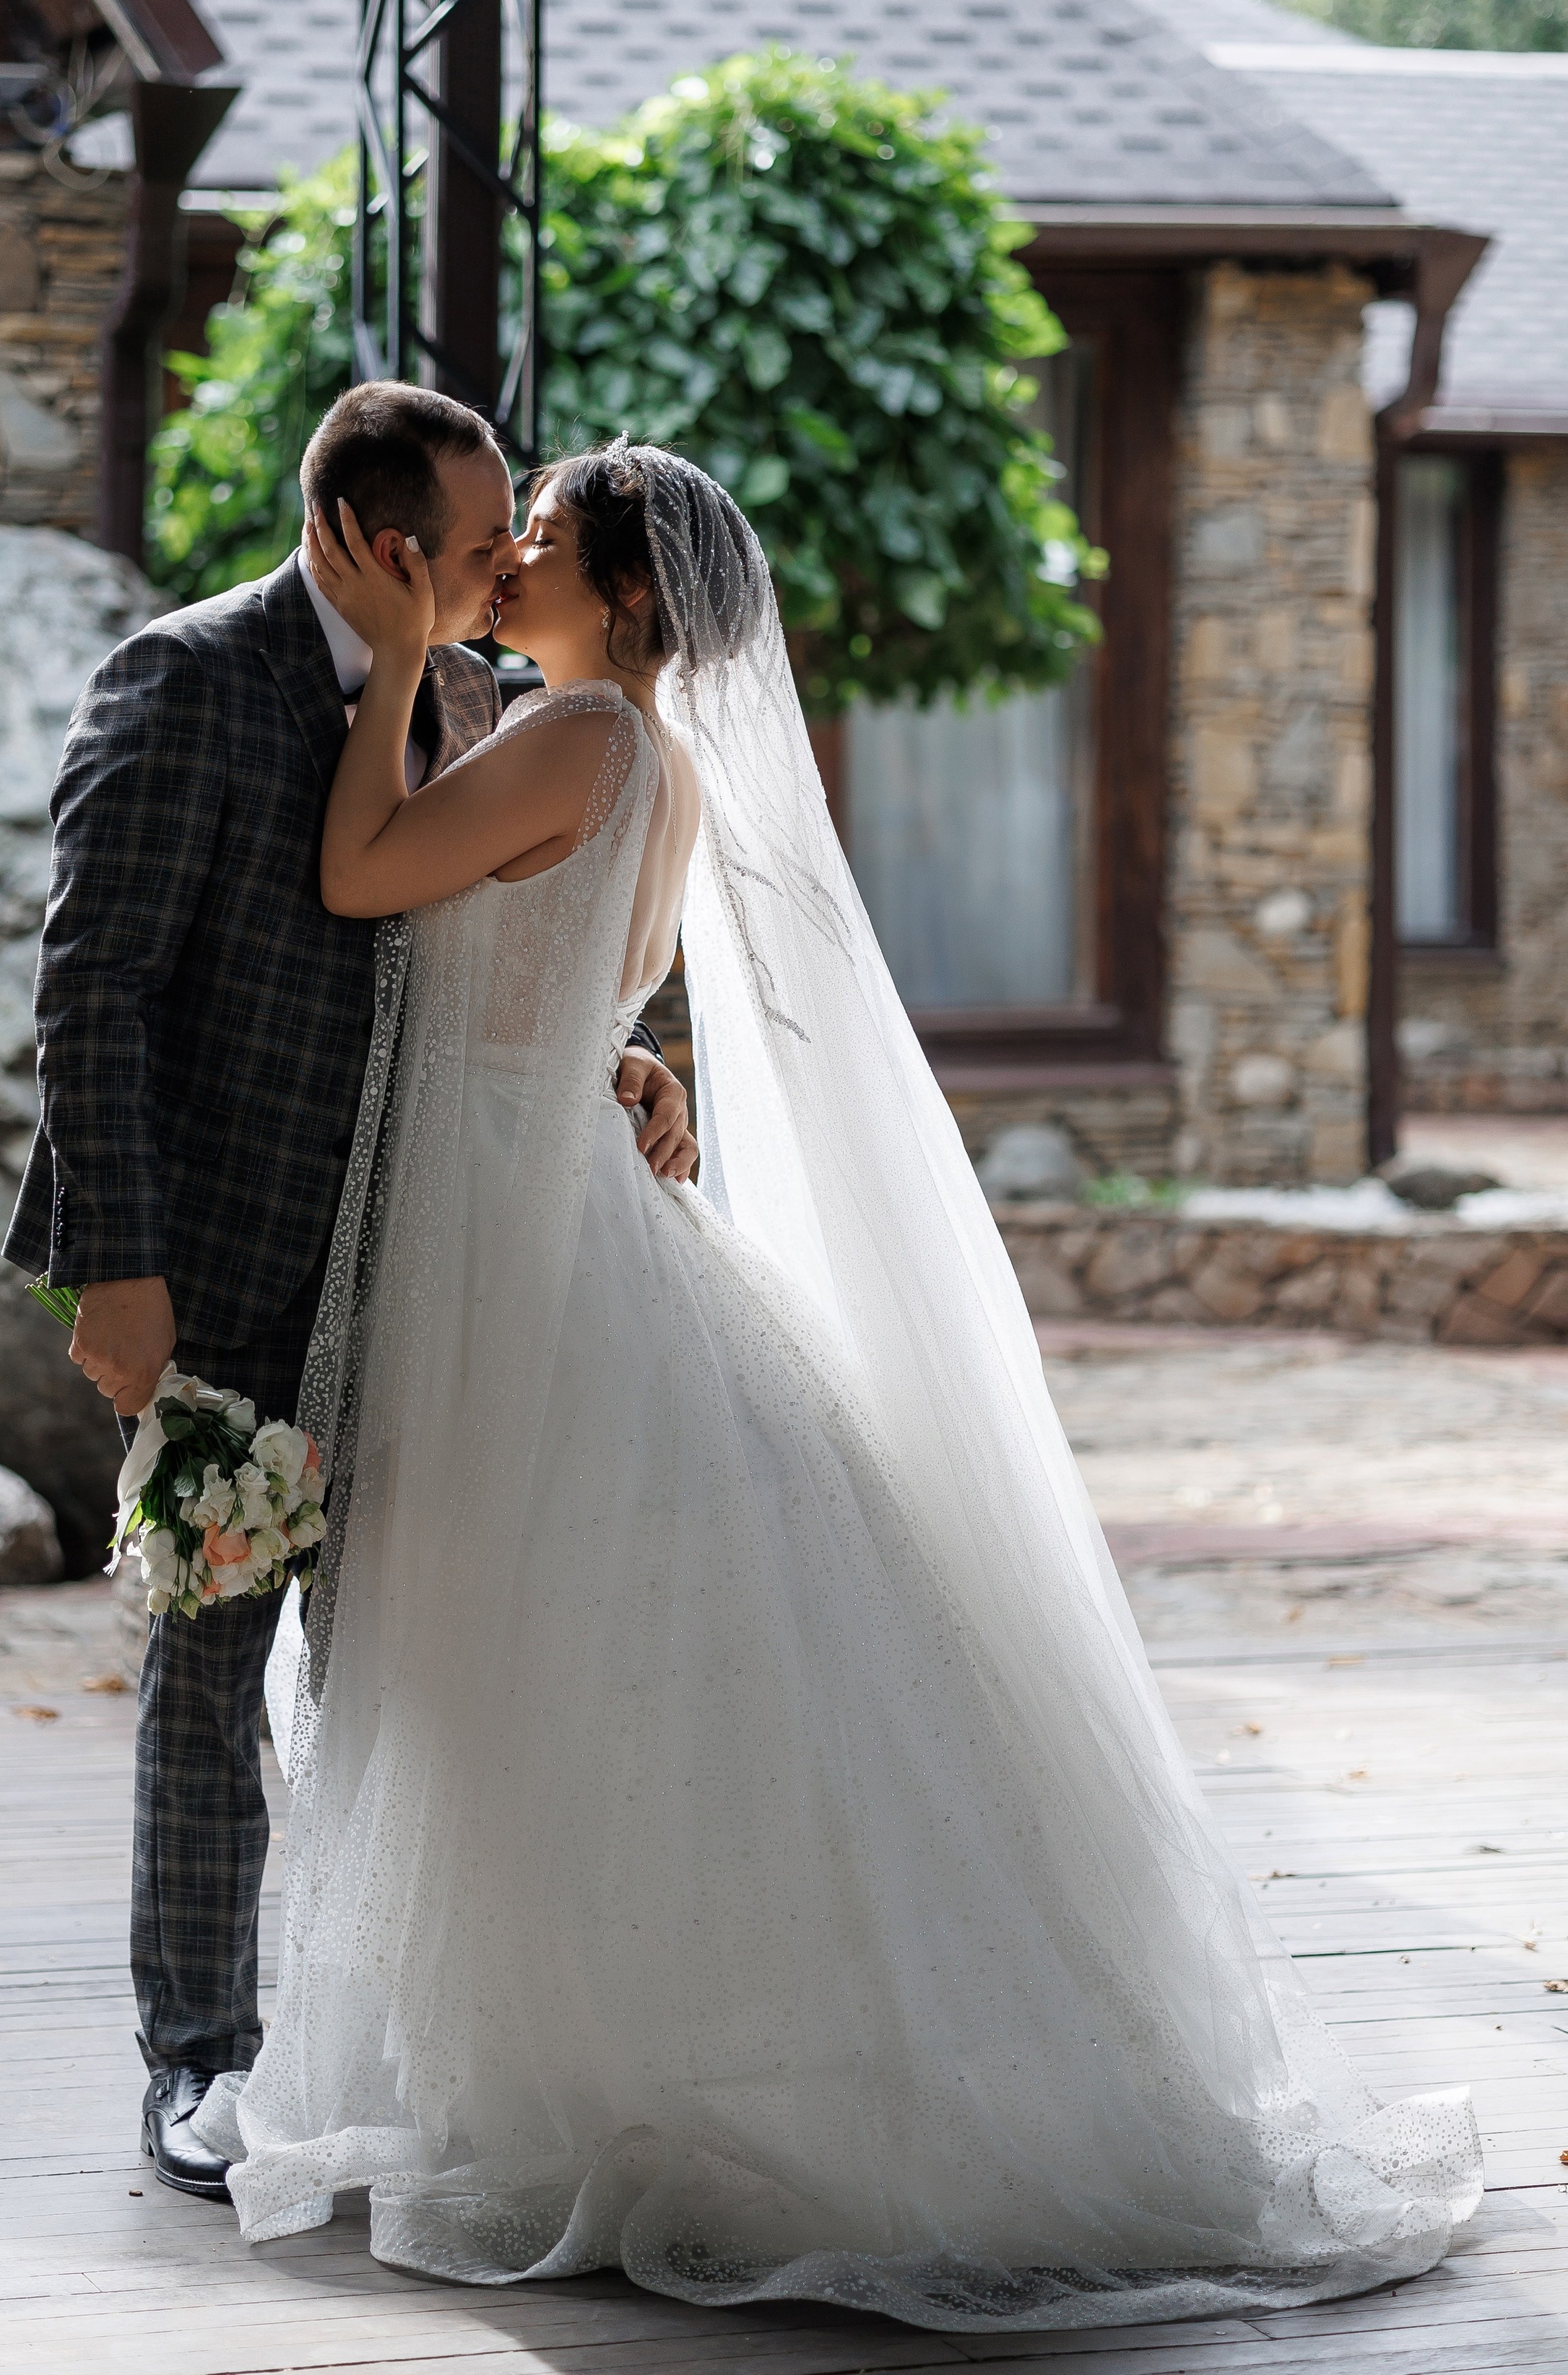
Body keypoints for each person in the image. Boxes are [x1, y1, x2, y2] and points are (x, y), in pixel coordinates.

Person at [196, 438, 1480, 2336]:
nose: (501, 562)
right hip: (533, 1205)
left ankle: (622, 2075)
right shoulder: (654, 764)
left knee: (533, 1653)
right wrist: (636, 1074)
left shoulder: (585, 739)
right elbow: (580, 996)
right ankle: (591, 2056)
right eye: (502, 540)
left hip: (520, 1250)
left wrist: (389, 653)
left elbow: (363, 867)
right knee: (552, 1662)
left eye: (534, 543)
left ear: (626, 598)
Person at [3, 384, 691, 2202]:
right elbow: (92, 994)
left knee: (407, 1673)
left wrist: (604, 1066)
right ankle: (195, 2058)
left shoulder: (475, 690)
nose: (495, 574)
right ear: (389, 550)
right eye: (476, 549)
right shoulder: (181, 677)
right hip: (223, 1264)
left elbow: (481, 948)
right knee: (210, 1659)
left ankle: (375, 2045)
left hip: (432, 1275)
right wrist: (116, 1266)